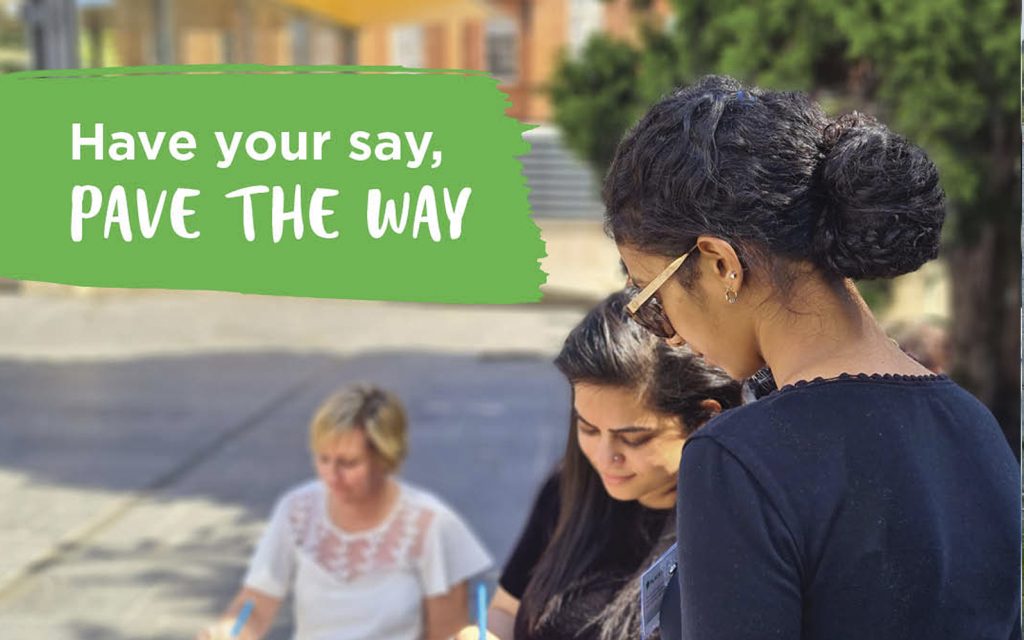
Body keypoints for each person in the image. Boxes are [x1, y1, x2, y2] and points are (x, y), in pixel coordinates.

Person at [604, 74, 1020, 639]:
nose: (669, 336)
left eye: (654, 302)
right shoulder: (975, 426)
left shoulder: (738, 460)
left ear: (720, 263)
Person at [456, 291, 743, 640]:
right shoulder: (568, 488)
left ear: (704, 422)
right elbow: (506, 609)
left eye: (633, 438)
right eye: (588, 428)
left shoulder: (735, 526)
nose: (605, 457)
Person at [198, 384, 493, 640]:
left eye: (349, 463)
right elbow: (256, 604)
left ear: (386, 458)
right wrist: (229, 630)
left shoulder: (432, 524)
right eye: (323, 459)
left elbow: (446, 632)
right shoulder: (297, 510)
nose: (331, 476)